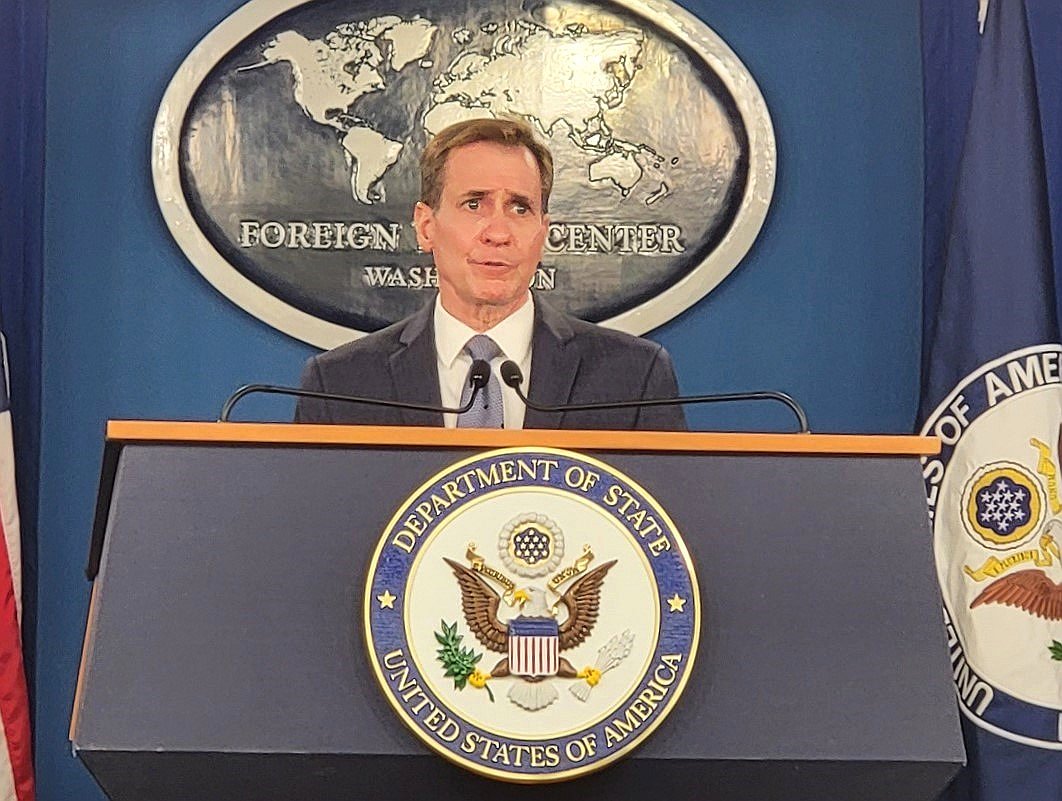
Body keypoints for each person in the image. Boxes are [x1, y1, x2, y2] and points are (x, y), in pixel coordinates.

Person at [295, 117, 685, 431]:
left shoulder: (634, 378)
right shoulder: (341, 385)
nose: (498, 233)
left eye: (519, 209)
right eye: (474, 203)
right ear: (426, 226)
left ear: (542, 233)